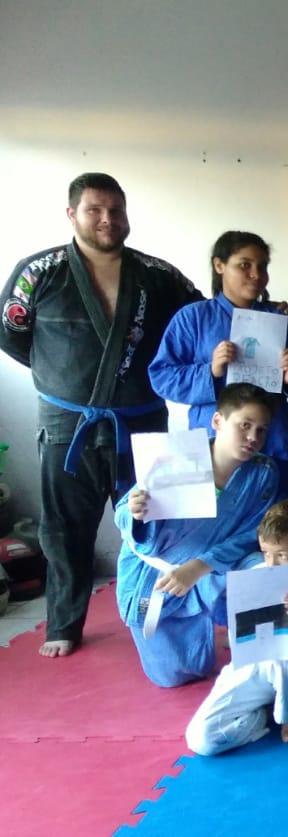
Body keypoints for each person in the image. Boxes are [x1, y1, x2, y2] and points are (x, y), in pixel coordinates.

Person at [0, 173, 204, 657]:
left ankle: (165, 612)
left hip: (141, 418)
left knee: (158, 521)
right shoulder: (38, 273)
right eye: (95, 209)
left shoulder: (159, 275)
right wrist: (60, 376)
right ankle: (63, 624)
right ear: (72, 214)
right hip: (68, 422)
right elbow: (11, 335)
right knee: (64, 529)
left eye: (116, 209)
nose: (108, 219)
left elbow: (203, 322)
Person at [114, 383, 279, 687]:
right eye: (245, 425)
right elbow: (124, 512)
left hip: (213, 568)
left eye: (262, 430)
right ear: (218, 420)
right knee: (174, 676)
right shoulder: (176, 457)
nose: (253, 437)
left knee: (265, 567)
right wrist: (136, 512)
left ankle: (266, 660)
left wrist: (200, 566)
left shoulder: (263, 473)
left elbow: (252, 534)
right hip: (159, 575)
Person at [149, 231, 288, 499]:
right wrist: (210, 371)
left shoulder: (282, 321)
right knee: (213, 513)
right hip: (214, 438)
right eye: (244, 265)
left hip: (272, 437)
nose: (256, 274)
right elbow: (161, 377)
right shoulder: (194, 318)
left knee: (274, 518)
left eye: (262, 267)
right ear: (219, 265)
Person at [185, 500, 288, 755]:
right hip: (256, 670)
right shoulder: (256, 575)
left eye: (282, 555)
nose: (271, 565)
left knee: (286, 645)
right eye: (265, 553)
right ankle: (264, 714)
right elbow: (242, 650)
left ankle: (286, 714)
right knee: (202, 740)